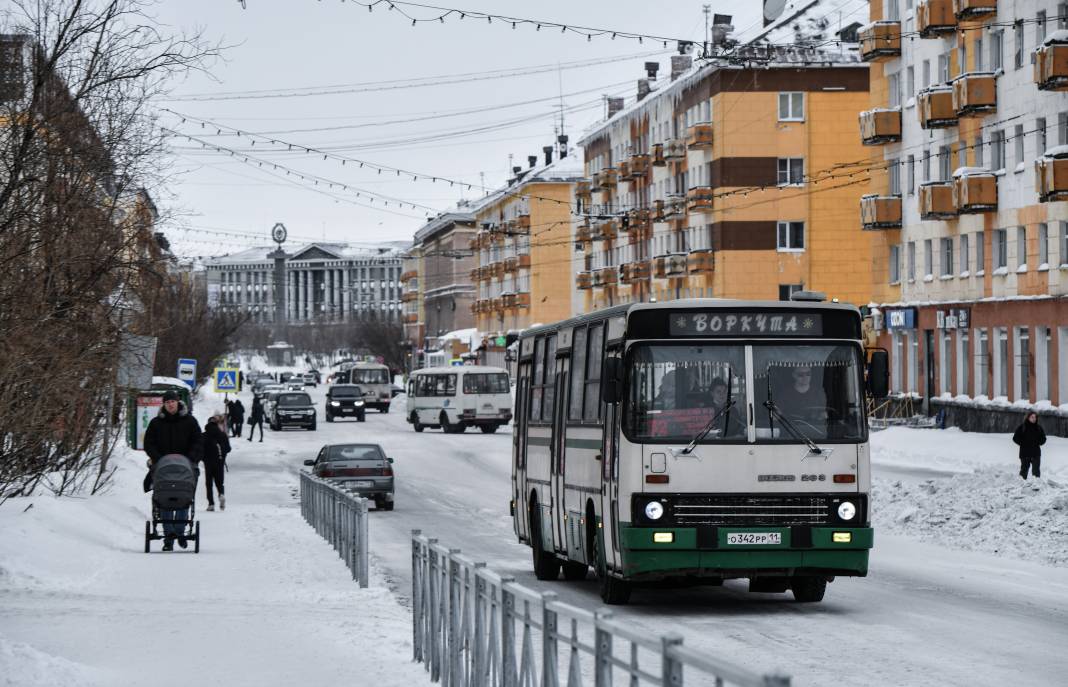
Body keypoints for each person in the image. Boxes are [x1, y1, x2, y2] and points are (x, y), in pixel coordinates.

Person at [143, 390, 202, 551]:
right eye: (167, 402)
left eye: (173, 402)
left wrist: (191, 459)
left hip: (186, 466)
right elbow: (149, 443)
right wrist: (158, 458)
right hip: (163, 467)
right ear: (164, 404)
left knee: (184, 498)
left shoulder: (189, 421)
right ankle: (169, 537)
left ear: (178, 402)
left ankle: (181, 533)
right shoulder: (156, 423)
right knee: (164, 499)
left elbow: (198, 441)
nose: (170, 405)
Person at [202, 412, 230, 511]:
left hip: (208, 462)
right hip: (219, 461)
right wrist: (222, 456)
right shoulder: (222, 435)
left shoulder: (204, 435)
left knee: (208, 483)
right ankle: (221, 494)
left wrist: (203, 458)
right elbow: (228, 448)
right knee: (219, 482)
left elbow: (200, 449)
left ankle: (211, 504)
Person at [1013, 411, 1047, 479]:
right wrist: (1023, 443)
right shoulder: (1022, 427)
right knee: (1024, 471)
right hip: (1025, 453)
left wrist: (1039, 442)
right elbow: (1015, 438)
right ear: (1028, 418)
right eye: (1032, 417)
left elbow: (1043, 438)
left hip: (1036, 453)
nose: (1034, 419)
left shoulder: (1038, 428)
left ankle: (1036, 486)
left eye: (1035, 417)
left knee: (1036, 471)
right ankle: (1021, 485)